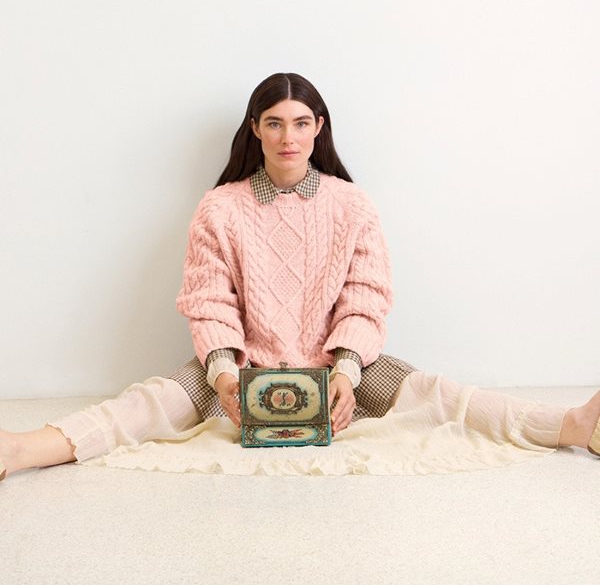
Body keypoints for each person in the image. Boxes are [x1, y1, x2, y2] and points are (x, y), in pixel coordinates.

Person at [1, 72, 599, 481]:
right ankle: (20, 449)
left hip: (340, 367)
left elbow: (365, 299)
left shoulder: (351, 204)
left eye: (300, 122)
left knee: (437, 395)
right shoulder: (220, 207)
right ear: (254, 128)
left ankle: (570, 426)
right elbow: (210, 302)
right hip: (241, 368)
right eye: (274, 123)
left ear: (319, 127)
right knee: (152, 403)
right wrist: (224, 373)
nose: (288, 137)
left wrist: (346, 370)